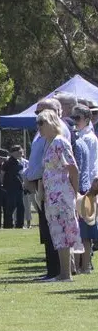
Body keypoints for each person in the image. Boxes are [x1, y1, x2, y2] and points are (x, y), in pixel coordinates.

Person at [37, 108, 81, 281]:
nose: (38, 127)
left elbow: (73, 169)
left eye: (42, 123)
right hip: (53, 196)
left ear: (51, 123)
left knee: (64, 232)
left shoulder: (59, 142)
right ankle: (66, 271)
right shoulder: (49, 143)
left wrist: (75, 193)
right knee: (58, 232)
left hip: (62, 195)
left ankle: (65, 274)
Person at [24, 98, 65, 280]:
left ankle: (58, 270)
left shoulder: (59, 132)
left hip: (51, 184)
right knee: (46, 229)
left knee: (53, 229)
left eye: (41, 112)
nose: (37, 117)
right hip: (40, 183)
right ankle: (52, 269)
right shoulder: (41, 132)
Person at [71, 104, 98, 273]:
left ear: (87, 119)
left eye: (78, 118)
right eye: (73, 118)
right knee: (81, 228)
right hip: (84, 185)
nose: (75, 121)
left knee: (86, 229)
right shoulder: (79, 136)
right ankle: (83, 264)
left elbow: (90, 165)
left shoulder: (88, 138)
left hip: (87, 186)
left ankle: (85, 264)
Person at [1, 147, 26, 229]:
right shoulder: (8, 162)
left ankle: (20, 225)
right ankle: (8, 225)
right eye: (19, 152)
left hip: (19, 188)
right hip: (10, 188)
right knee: (10, 208)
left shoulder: (19, 162)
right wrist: (3, 184)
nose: (21, 154)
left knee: (21, 207)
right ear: (13, 152)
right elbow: (2, 173)